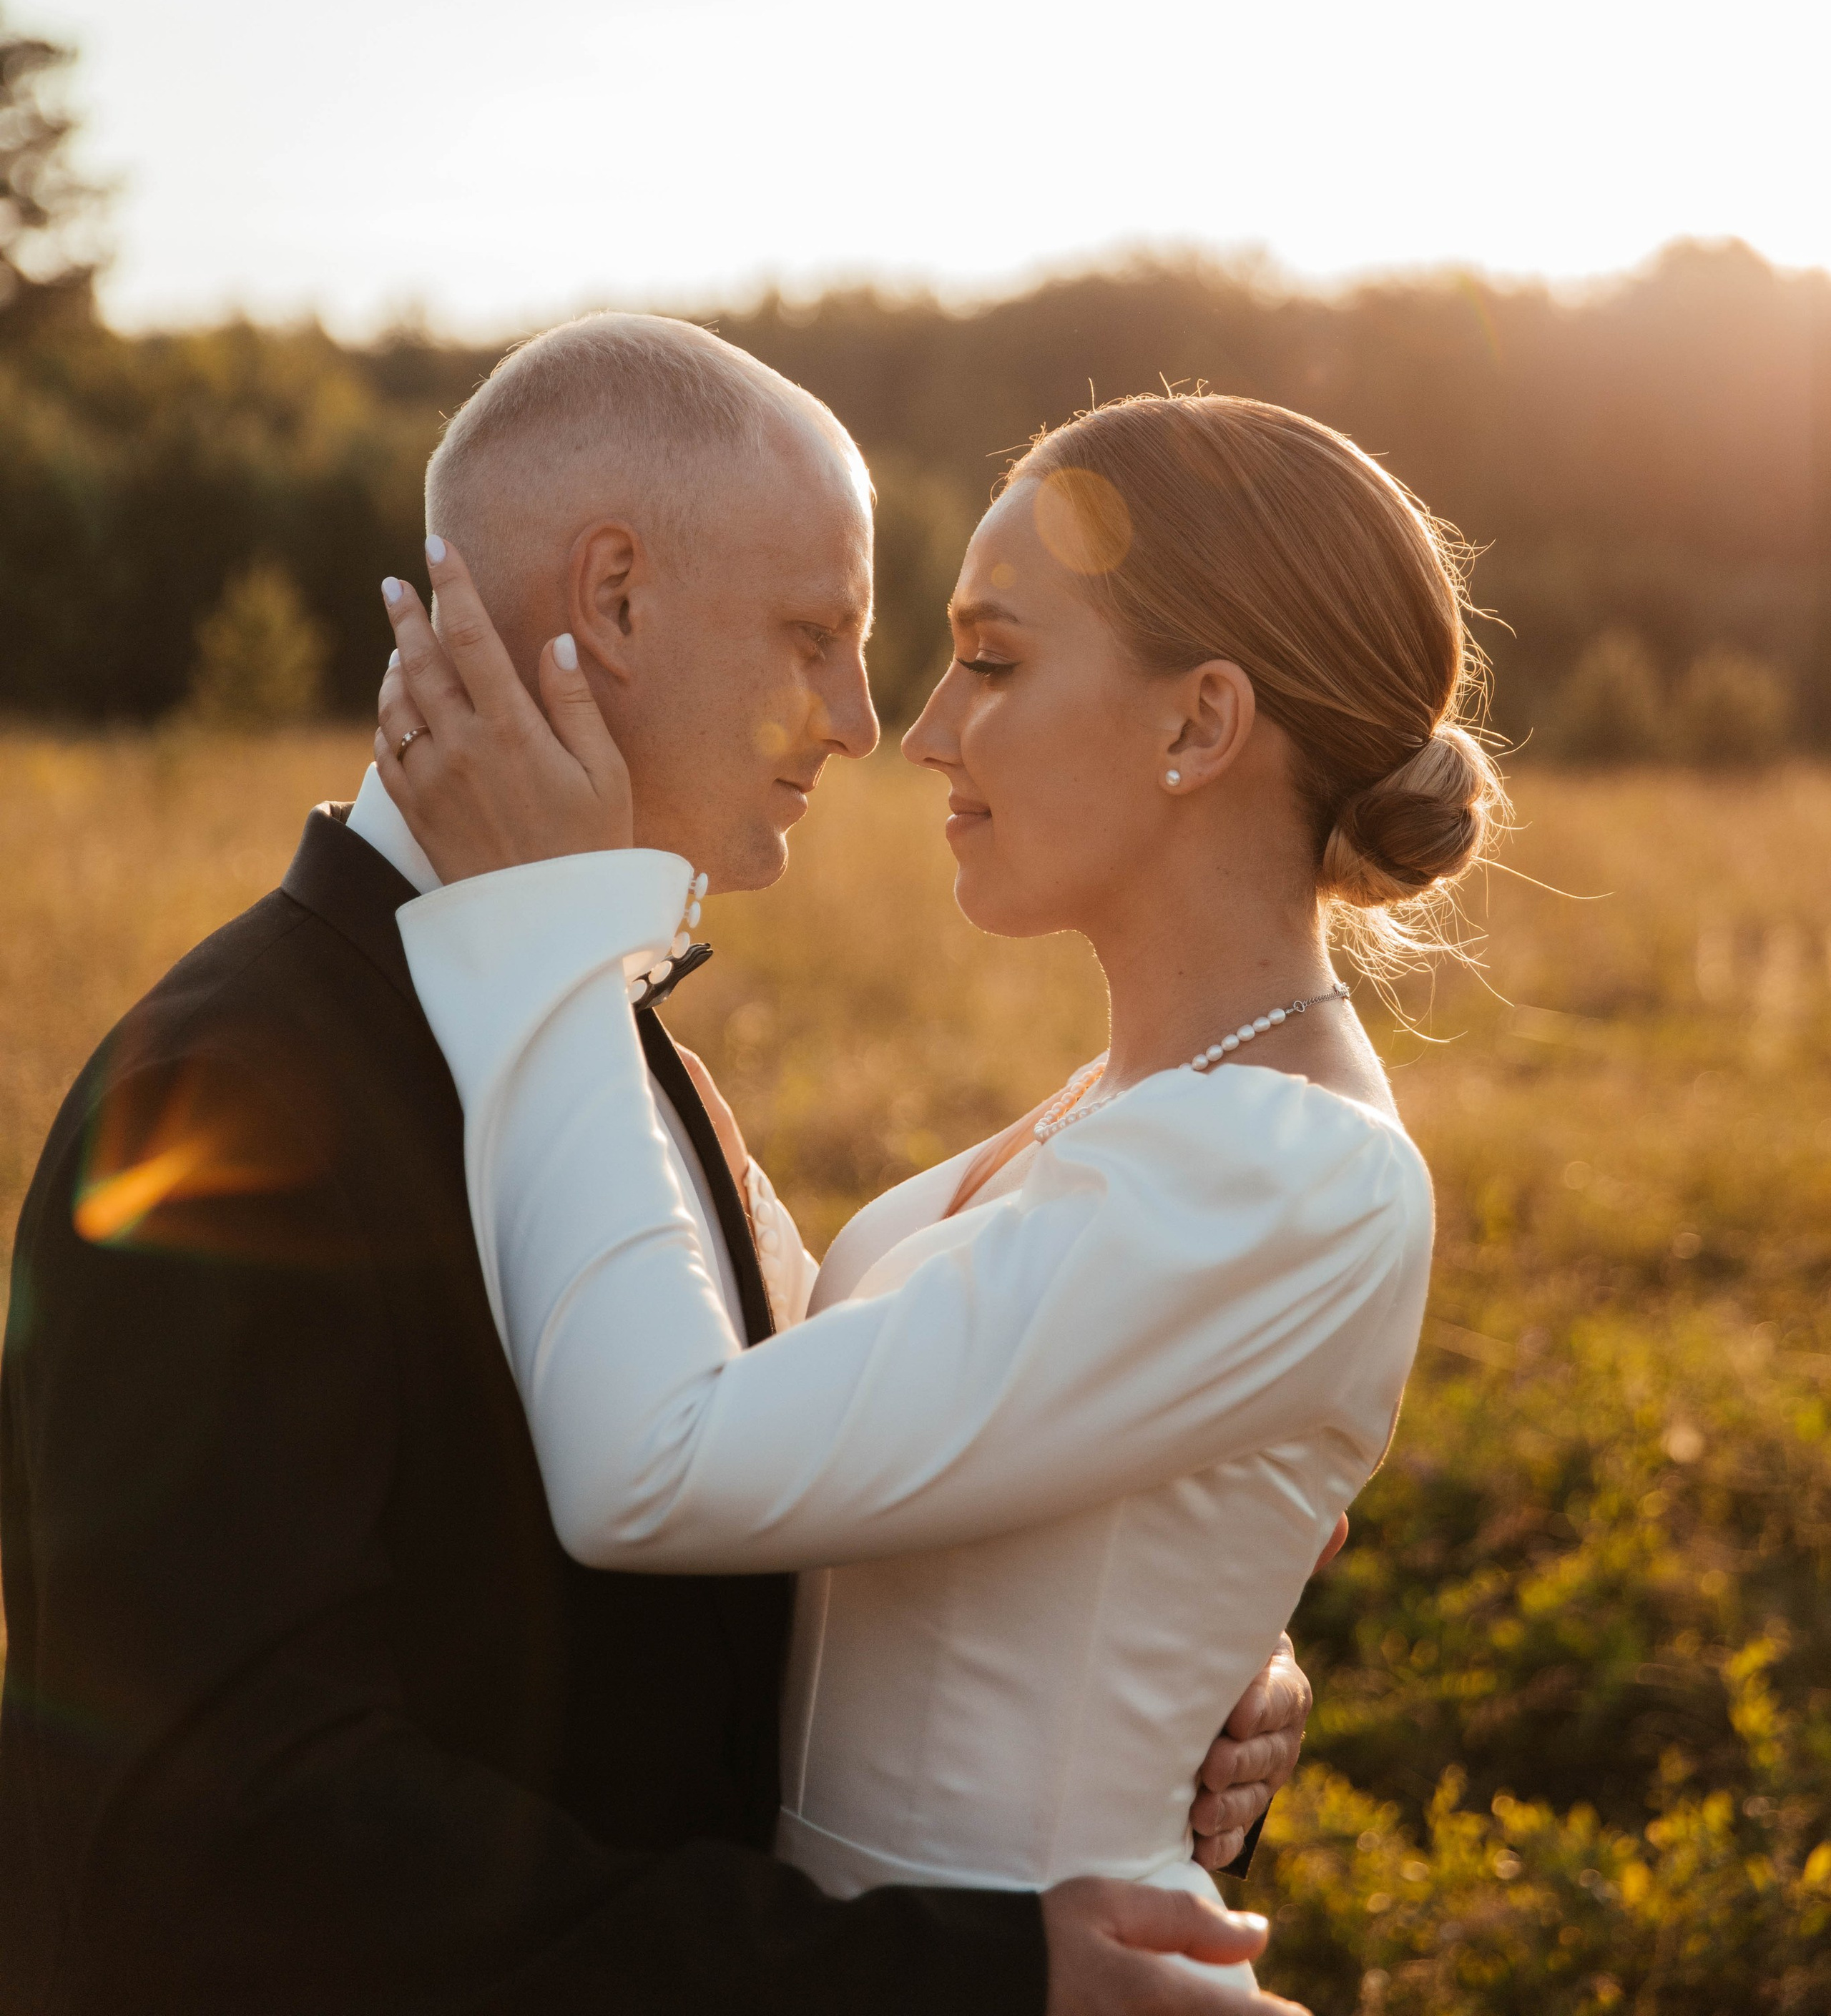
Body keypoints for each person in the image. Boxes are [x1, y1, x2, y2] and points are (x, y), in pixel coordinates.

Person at [0, 317, 1314, 2016]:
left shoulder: (623, 1066)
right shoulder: (231, 1093)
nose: (859, 719)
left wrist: (1151, 1659)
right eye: (815, 633)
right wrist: (964, 1987)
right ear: (613, 599)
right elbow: (228, 1846)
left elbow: (741, 1608)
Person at [370, 362, 1503, 2003]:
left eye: (992, 661)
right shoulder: (1129, 1112)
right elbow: (834, 1414)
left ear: (1197, 723)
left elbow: (654, 1463)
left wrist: (551, 928)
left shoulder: (1282, 1175)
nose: (918, 733)